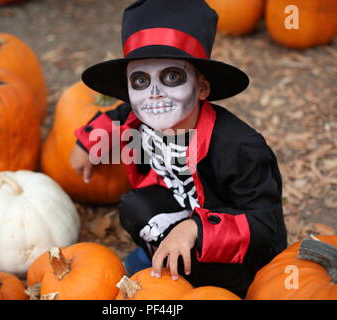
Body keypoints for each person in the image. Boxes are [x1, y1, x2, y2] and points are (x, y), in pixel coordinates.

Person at [70, 0, 287, 298]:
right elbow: (118, 116)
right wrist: (87, 141)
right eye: (141, 80)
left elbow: (266, 226)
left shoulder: (239, 147)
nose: (154, 94)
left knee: (211, 267)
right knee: (135, 207)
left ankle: (215, 288)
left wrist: (196, 229)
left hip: (231, 248)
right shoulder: (142, 114)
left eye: (171, 77)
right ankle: (162, 260)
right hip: (177, 207)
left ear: (202, 88)